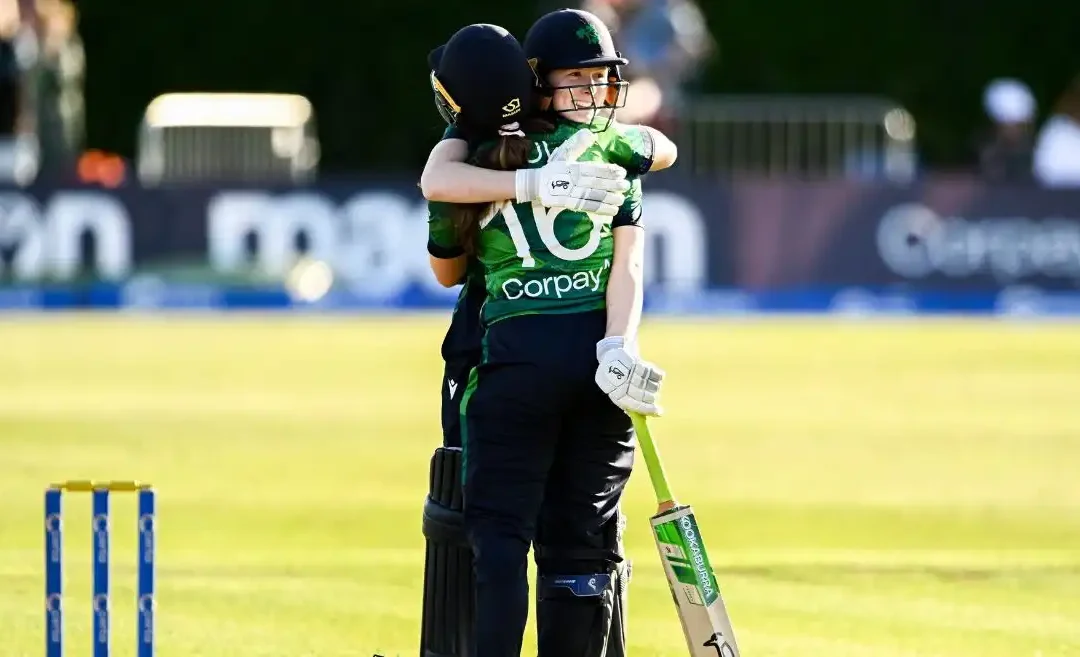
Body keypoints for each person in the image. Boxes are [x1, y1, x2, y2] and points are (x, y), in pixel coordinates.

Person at [426, 17, 673, 657]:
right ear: (537, 84)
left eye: (602, 79)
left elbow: (444, 256)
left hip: (513, 365)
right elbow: (630, 262)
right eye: (581, 78)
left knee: (500, 546)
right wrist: (619, 341)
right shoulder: (612, 148)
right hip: (594, 365)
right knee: (582, 547)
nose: (594, 90)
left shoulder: (474, 154)